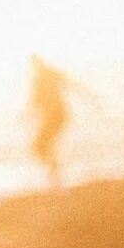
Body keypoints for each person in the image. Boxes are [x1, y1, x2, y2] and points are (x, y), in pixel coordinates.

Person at [27, 56, 81, 189]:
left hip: (57, 116)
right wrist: (28, 115)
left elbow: (73, 85)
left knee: (41, 146)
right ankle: (55, 178)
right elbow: (35, 100)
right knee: (42, 147)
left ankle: (56, 179)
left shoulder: (48, 76)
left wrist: (91, 98)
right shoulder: (41, 79)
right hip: (56, 116)